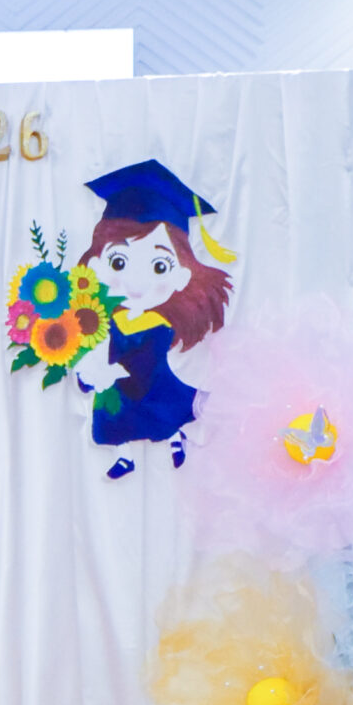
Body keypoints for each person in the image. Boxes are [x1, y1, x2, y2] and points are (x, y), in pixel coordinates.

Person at [67, 158, 236, 479]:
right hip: (117, 387)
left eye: (160, 266)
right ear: (94, 264)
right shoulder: (101, 319)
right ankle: (125, 458)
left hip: (149, 383)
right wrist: (87, 367)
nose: (135, 282)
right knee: (113, 423)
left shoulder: (157, 325)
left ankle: (176, 440)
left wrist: (109, 367)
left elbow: (145, 357)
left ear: (182, 276)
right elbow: (93, 348)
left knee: (163, 415)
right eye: (118, 262)